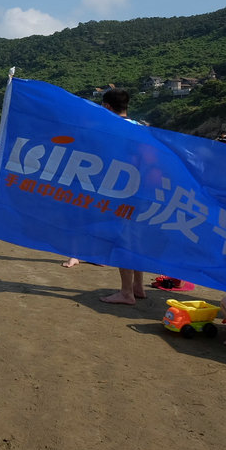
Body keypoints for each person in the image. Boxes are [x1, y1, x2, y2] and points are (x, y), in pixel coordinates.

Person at [98, 88, 149, 305]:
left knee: (122, 239)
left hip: (122, 190)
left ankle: (126, 292)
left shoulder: (111, 129)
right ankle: (138, 286)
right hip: (143, 191)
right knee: (136, 239)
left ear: (107, 106)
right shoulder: (141, 127)